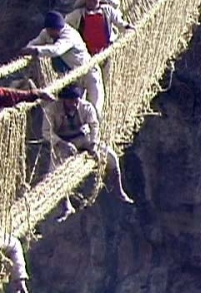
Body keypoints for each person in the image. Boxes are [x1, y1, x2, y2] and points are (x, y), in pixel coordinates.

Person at [42, 85, 133, 222]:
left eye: (76, 100)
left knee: (111, 156)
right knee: (54, 175)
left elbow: (94, 125)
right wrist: (62, 143)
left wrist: (93, 145)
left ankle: (118, 189)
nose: (74, 104)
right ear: (63, 100)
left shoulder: (86, 107)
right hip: (62, 143)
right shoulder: (51, 110)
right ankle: (66, 205)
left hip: (84, 139)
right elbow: (46, 132)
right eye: (71, 101)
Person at [21, 11, 104, 117]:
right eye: (51, 30)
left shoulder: (69, 35)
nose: (52, 32)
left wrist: (35, 51)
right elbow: (36, 42)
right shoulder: (46, 33)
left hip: (88, 73)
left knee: (95, 106)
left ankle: (96, 129)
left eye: (56, 30)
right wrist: (27, 50)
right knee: (77, 110)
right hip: (73, 77)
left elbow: (57, 50)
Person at [65, 0, 135, 56]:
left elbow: (119, 22)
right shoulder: (79, 14)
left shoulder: (107, 10)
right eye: (89, 0)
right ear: (85, 0)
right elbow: (66, 23)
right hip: (88, 52)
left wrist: (128, 27)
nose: (92, 3)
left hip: (108, 50)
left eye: (94, 0)